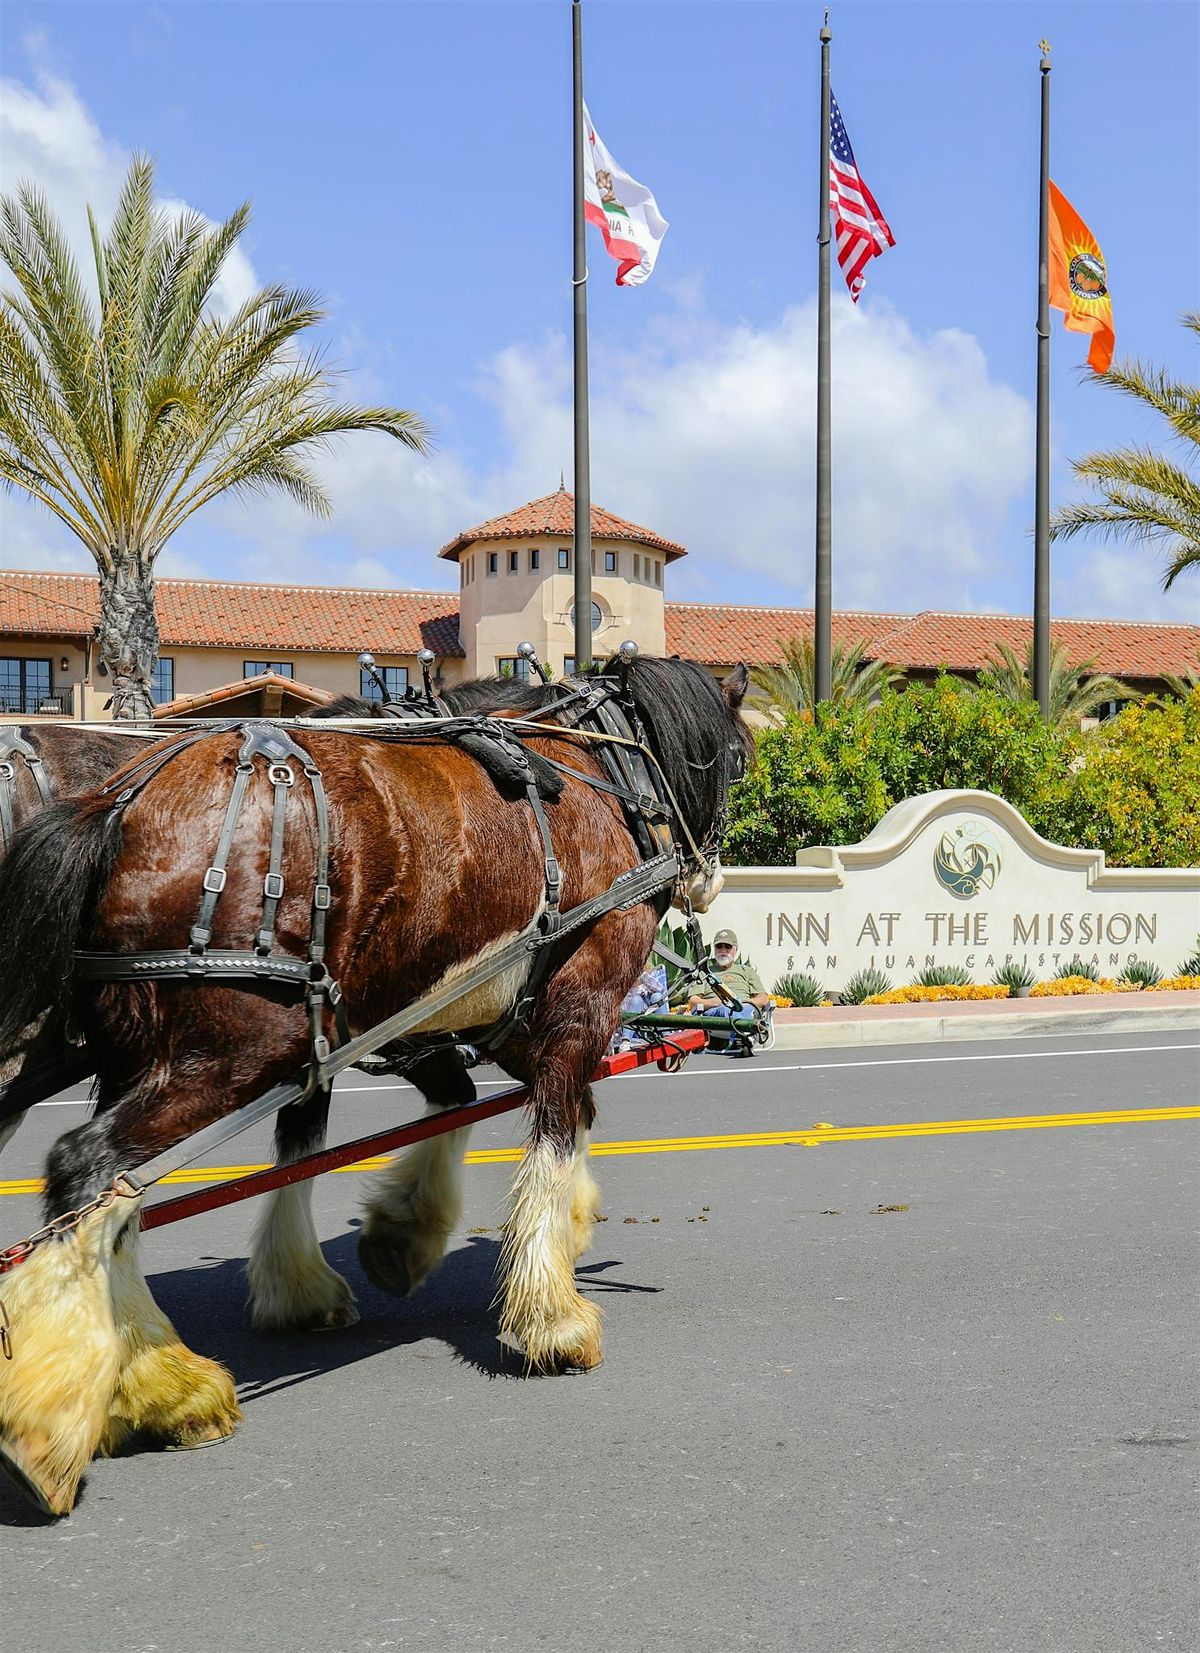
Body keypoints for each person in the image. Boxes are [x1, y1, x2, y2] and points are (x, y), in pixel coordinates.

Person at [677, 929, 772, 1055]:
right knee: (726, 1009)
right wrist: (715, 1003)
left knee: (739, 1009)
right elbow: (693, 1001)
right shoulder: (703, 971)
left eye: (727, 947)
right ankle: (743, 1037)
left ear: (735, 949)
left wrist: (743, 1003)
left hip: (745, 1008)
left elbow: (763, 998)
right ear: (714, 949)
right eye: (719, 947)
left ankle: (741, 1037)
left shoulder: (746, 971)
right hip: (716, 1011)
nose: (723, 951)